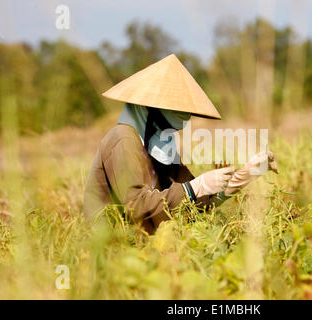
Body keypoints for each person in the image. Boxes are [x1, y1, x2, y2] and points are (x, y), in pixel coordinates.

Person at [83, 54, 277, 234]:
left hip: (150, 243)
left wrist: (247, 174)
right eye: (168, 125)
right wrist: (196, 187)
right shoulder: (123, 139)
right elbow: (136, 207)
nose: (172, 133)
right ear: (150, 111)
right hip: (114, 246)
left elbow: (192, 199)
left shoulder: (158, 144)